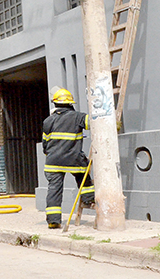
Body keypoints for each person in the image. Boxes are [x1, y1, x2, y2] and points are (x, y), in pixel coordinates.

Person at [42, 88, 95, 229]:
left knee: (54, 190)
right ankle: (89, 200)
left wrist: (50, 155)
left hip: (53, 162)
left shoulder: (48, 121)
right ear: (71, 103)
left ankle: (53, 220)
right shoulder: (78, 117)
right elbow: (94, 124)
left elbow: (45, 144)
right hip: (73, 159)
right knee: (84, 175)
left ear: (55, 104)